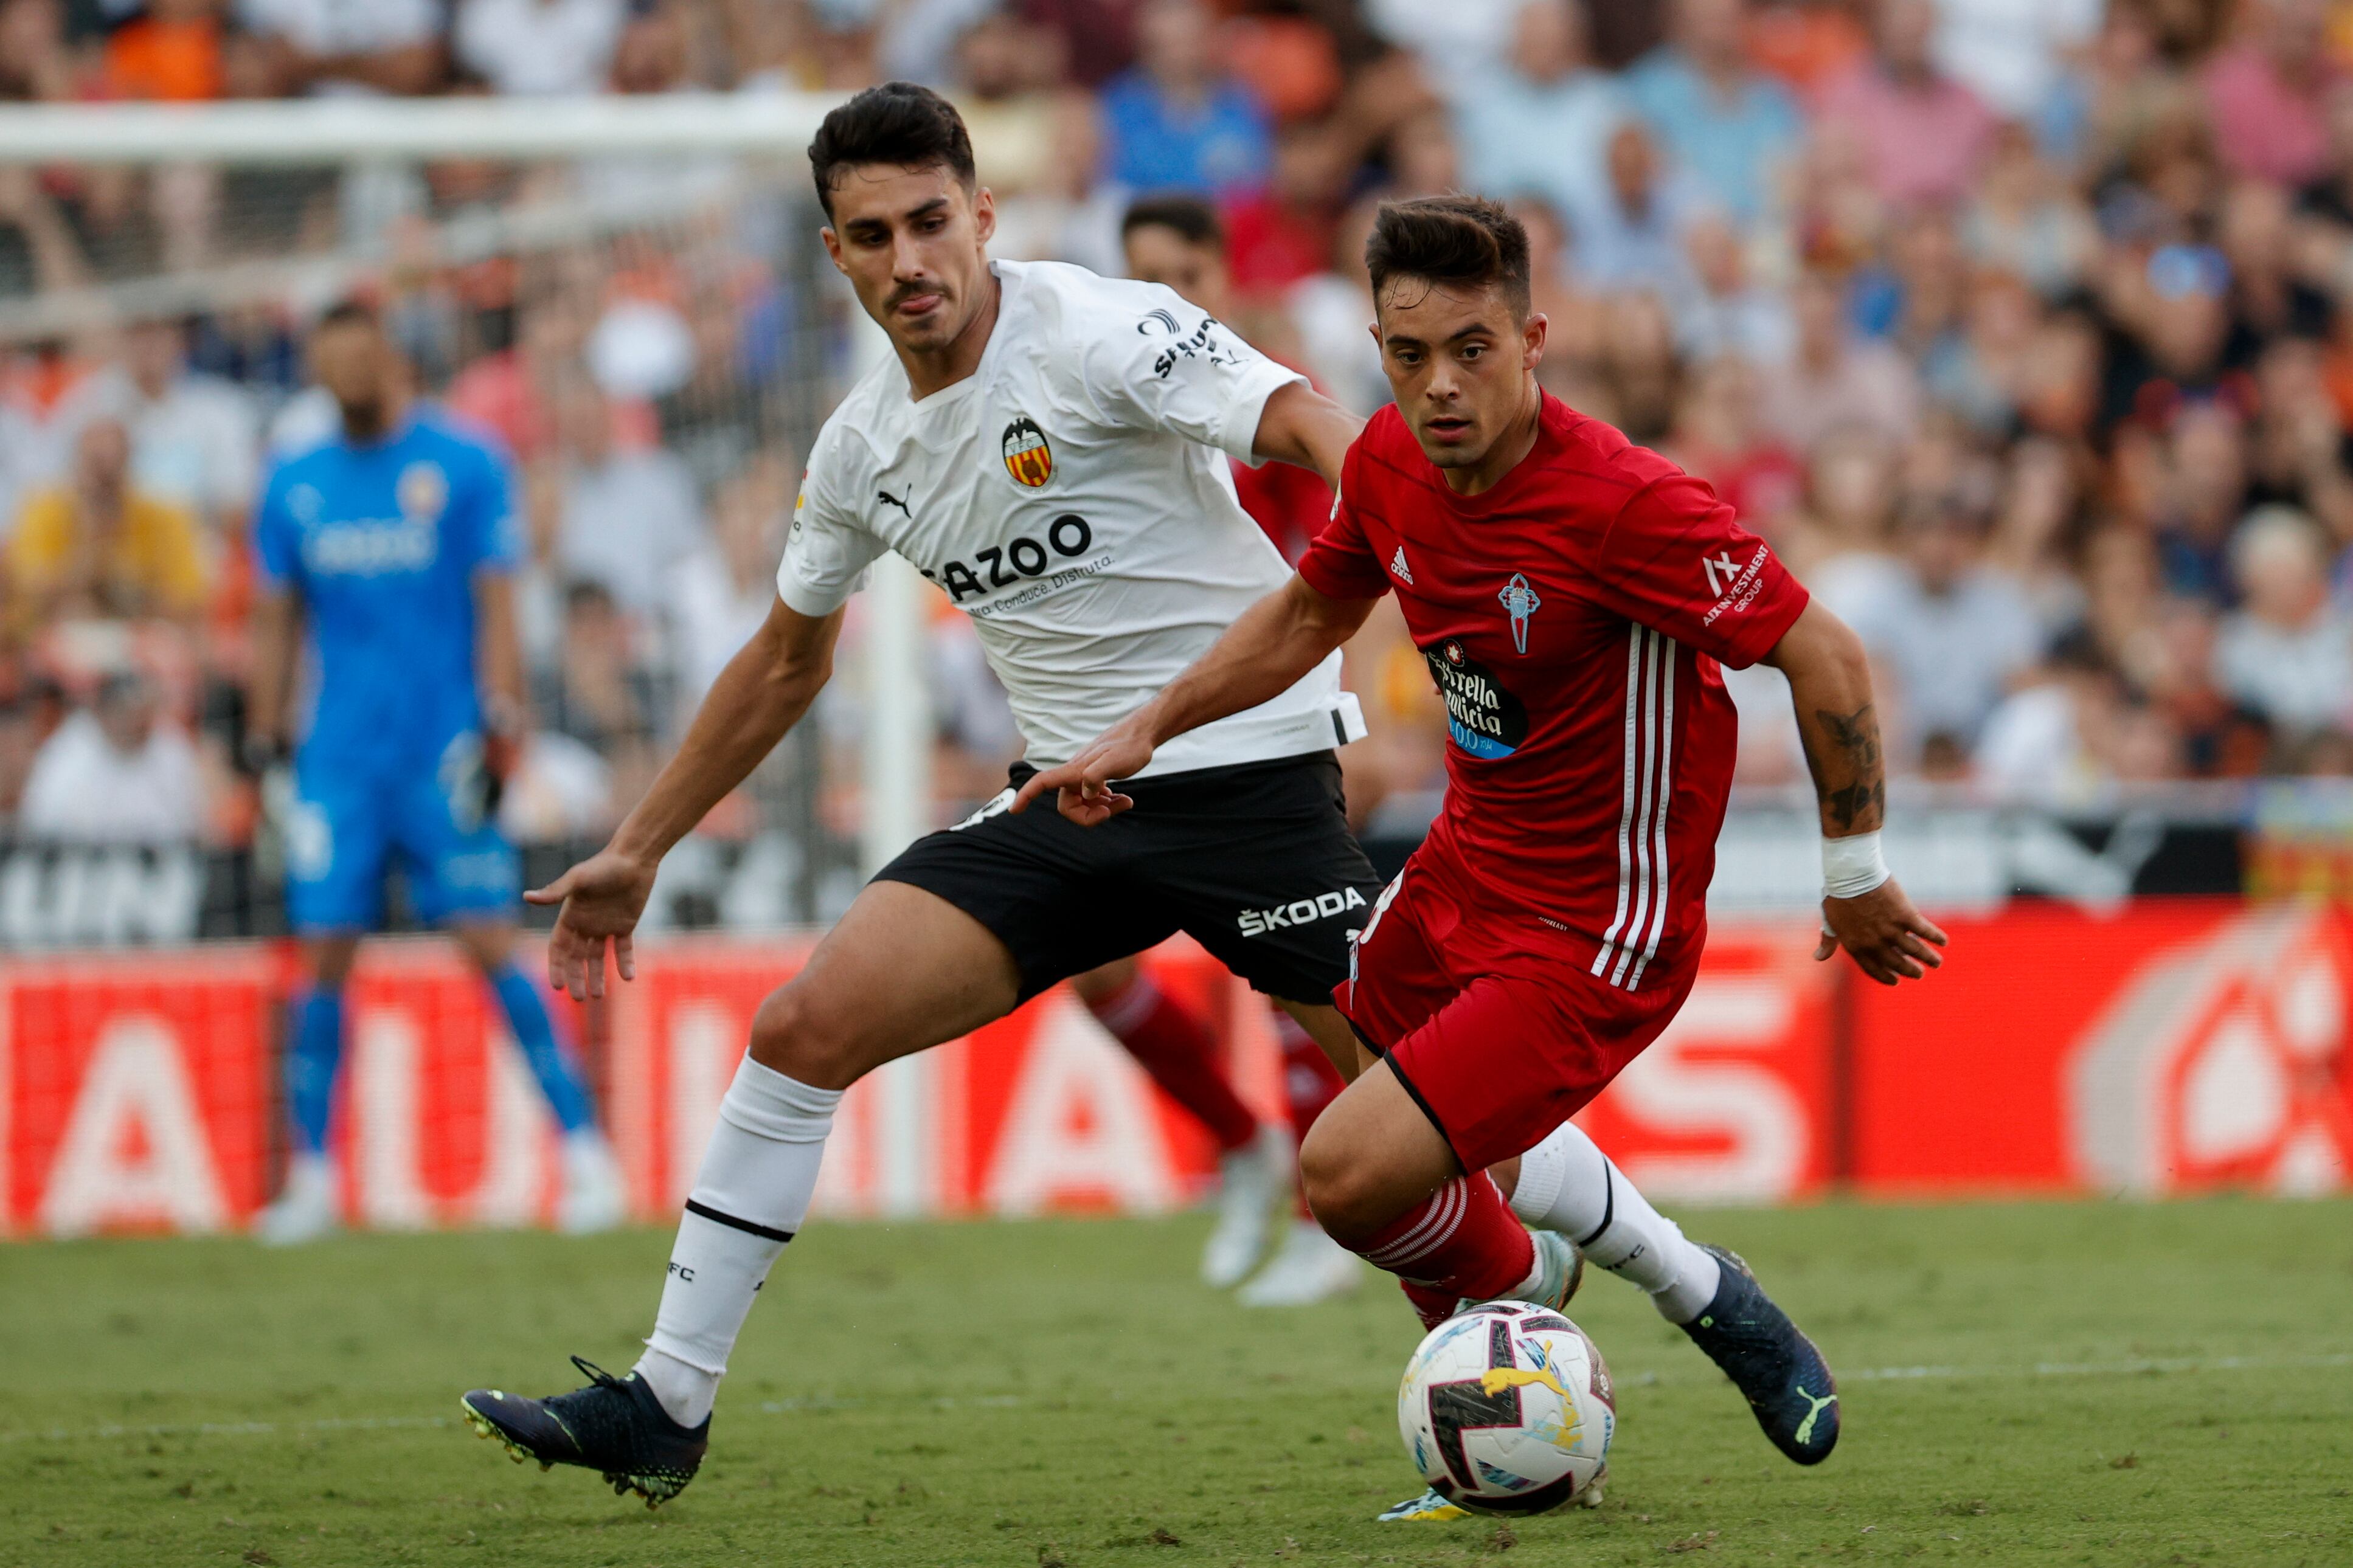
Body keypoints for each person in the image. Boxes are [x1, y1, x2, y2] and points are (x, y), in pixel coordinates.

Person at [459, 81, 1383, 1505]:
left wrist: (1394, 552)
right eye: (873, 234)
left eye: (933, 221)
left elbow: (1309, 423)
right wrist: (636, 847)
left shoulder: (1101, 325)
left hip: (1249, 772)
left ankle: (1691, 1290)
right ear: (836, 254)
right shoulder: (860, 448)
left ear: (983, 214)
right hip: (1075, 802)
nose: (910, 260)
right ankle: (667, 1403)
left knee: (1422, 1111)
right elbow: (782, 664)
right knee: (801, 1024)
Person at [1021, 196, 1950, 1522]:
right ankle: (1670, 1305)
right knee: (1418, 1152)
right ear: (1379, 349)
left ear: (1533, 338)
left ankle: (1535, 1322)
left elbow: (1826, 651)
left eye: (1473, 348)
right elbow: (1308, 611)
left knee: (1350, 1176)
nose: (1441, 386)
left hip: (1595, 934)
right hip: (1459, 883)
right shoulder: (1391, 464)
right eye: (1410, 355)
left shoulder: (1625, 504)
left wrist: (1854, 876)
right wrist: (1147, 731)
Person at [245, 300, 625, 1246]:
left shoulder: (462, 463)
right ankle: (313, 1177)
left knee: (486, 937)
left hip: (443, 751)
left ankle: (585, 1156)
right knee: (322, 946)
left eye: (359, 360)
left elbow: (494, 600)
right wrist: (261, 744)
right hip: (337, 760)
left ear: (391, 358)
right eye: (327, 365)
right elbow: (276, 621)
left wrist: (502, 724)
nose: (346, 379)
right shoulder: (293, 484)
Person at [1117, 192, 1357, 1307]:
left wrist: (1387, 705)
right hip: (1147, 728)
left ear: (1224, 281)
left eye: (1183, 277)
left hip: (1269, 727)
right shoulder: (1113, 405)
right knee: (1087, 967)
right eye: (1140, 279)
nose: (1162, 300)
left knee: (1293, 973)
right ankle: (1240, 1142)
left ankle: (1330, 1208)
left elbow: (1354, 556)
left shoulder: (1262, 410)